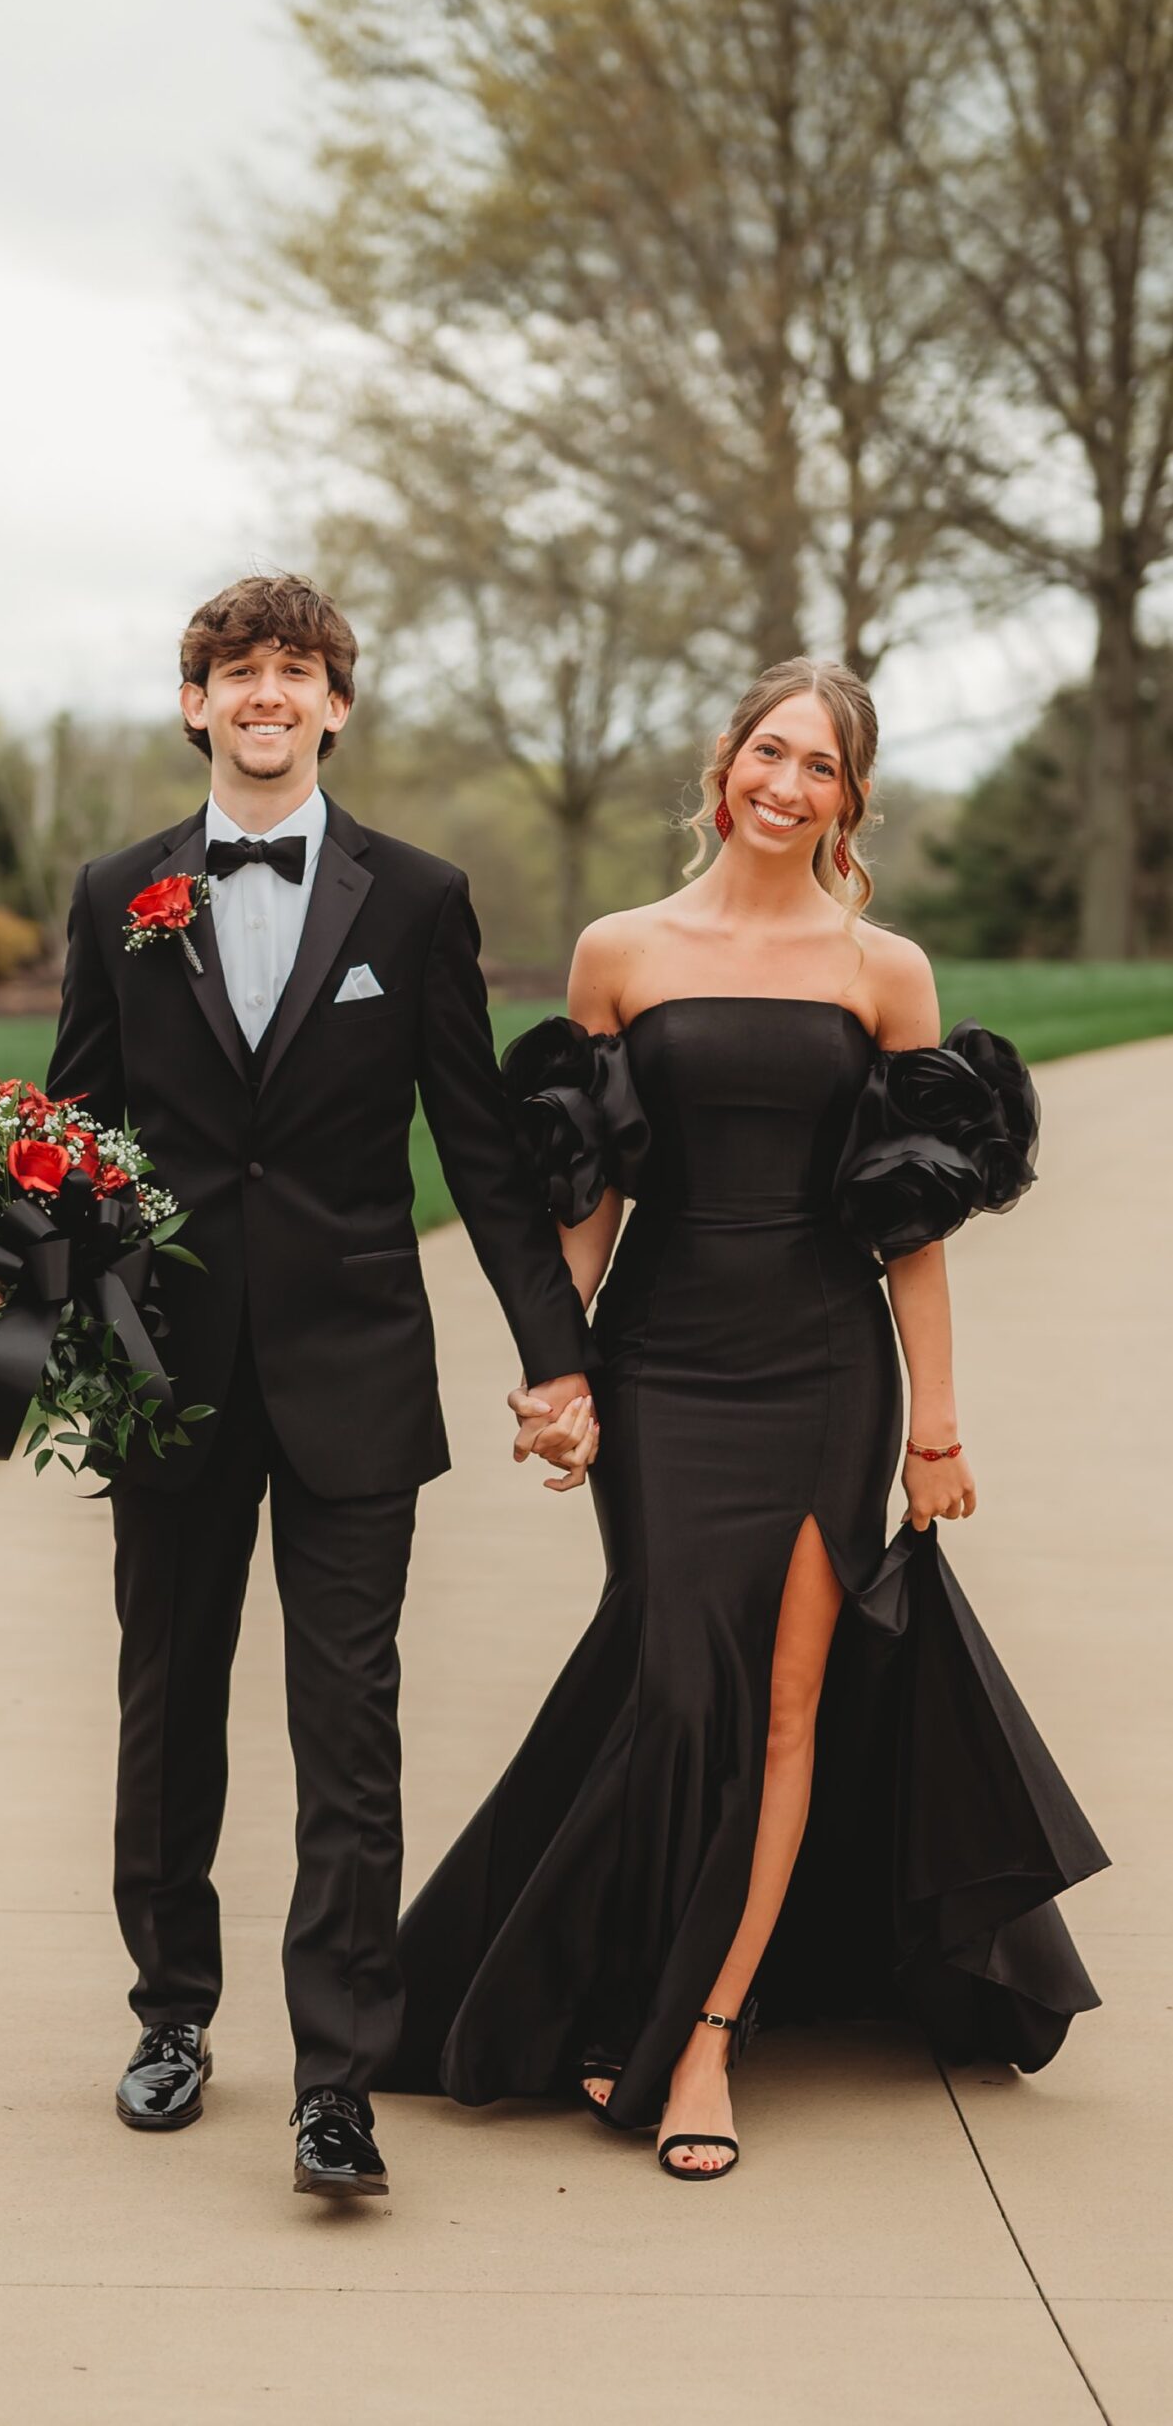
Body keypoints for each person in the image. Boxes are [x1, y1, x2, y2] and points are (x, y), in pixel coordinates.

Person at [391, 655, 1107, 2180]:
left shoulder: (881, 972)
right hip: (659, 1363)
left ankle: (705, 2029)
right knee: (668, 1680)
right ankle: (618, 1976)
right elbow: (581, 1194)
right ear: (721, 764)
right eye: (767, 753)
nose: (786, 787)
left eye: (822, 768)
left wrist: (937, 1429)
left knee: (783, 1710)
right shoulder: (617, 953)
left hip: (822, 1369)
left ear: (850, 800)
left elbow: (906, 1228)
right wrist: (554, 1371)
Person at [7, 573, 597, 2199]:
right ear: (194, 704)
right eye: (235, 670)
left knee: (350, 1729)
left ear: (336, 705)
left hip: (354, 1372)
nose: (265, 693)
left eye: (296, 670)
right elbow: (76, 1126)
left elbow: (477, 1152)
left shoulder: (415, 899)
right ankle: (172, 2018)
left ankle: (336, 2079)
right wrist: (26, 1258)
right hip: (170, 1373)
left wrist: (558, 1355)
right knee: (166, 1708)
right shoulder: (116, 893)